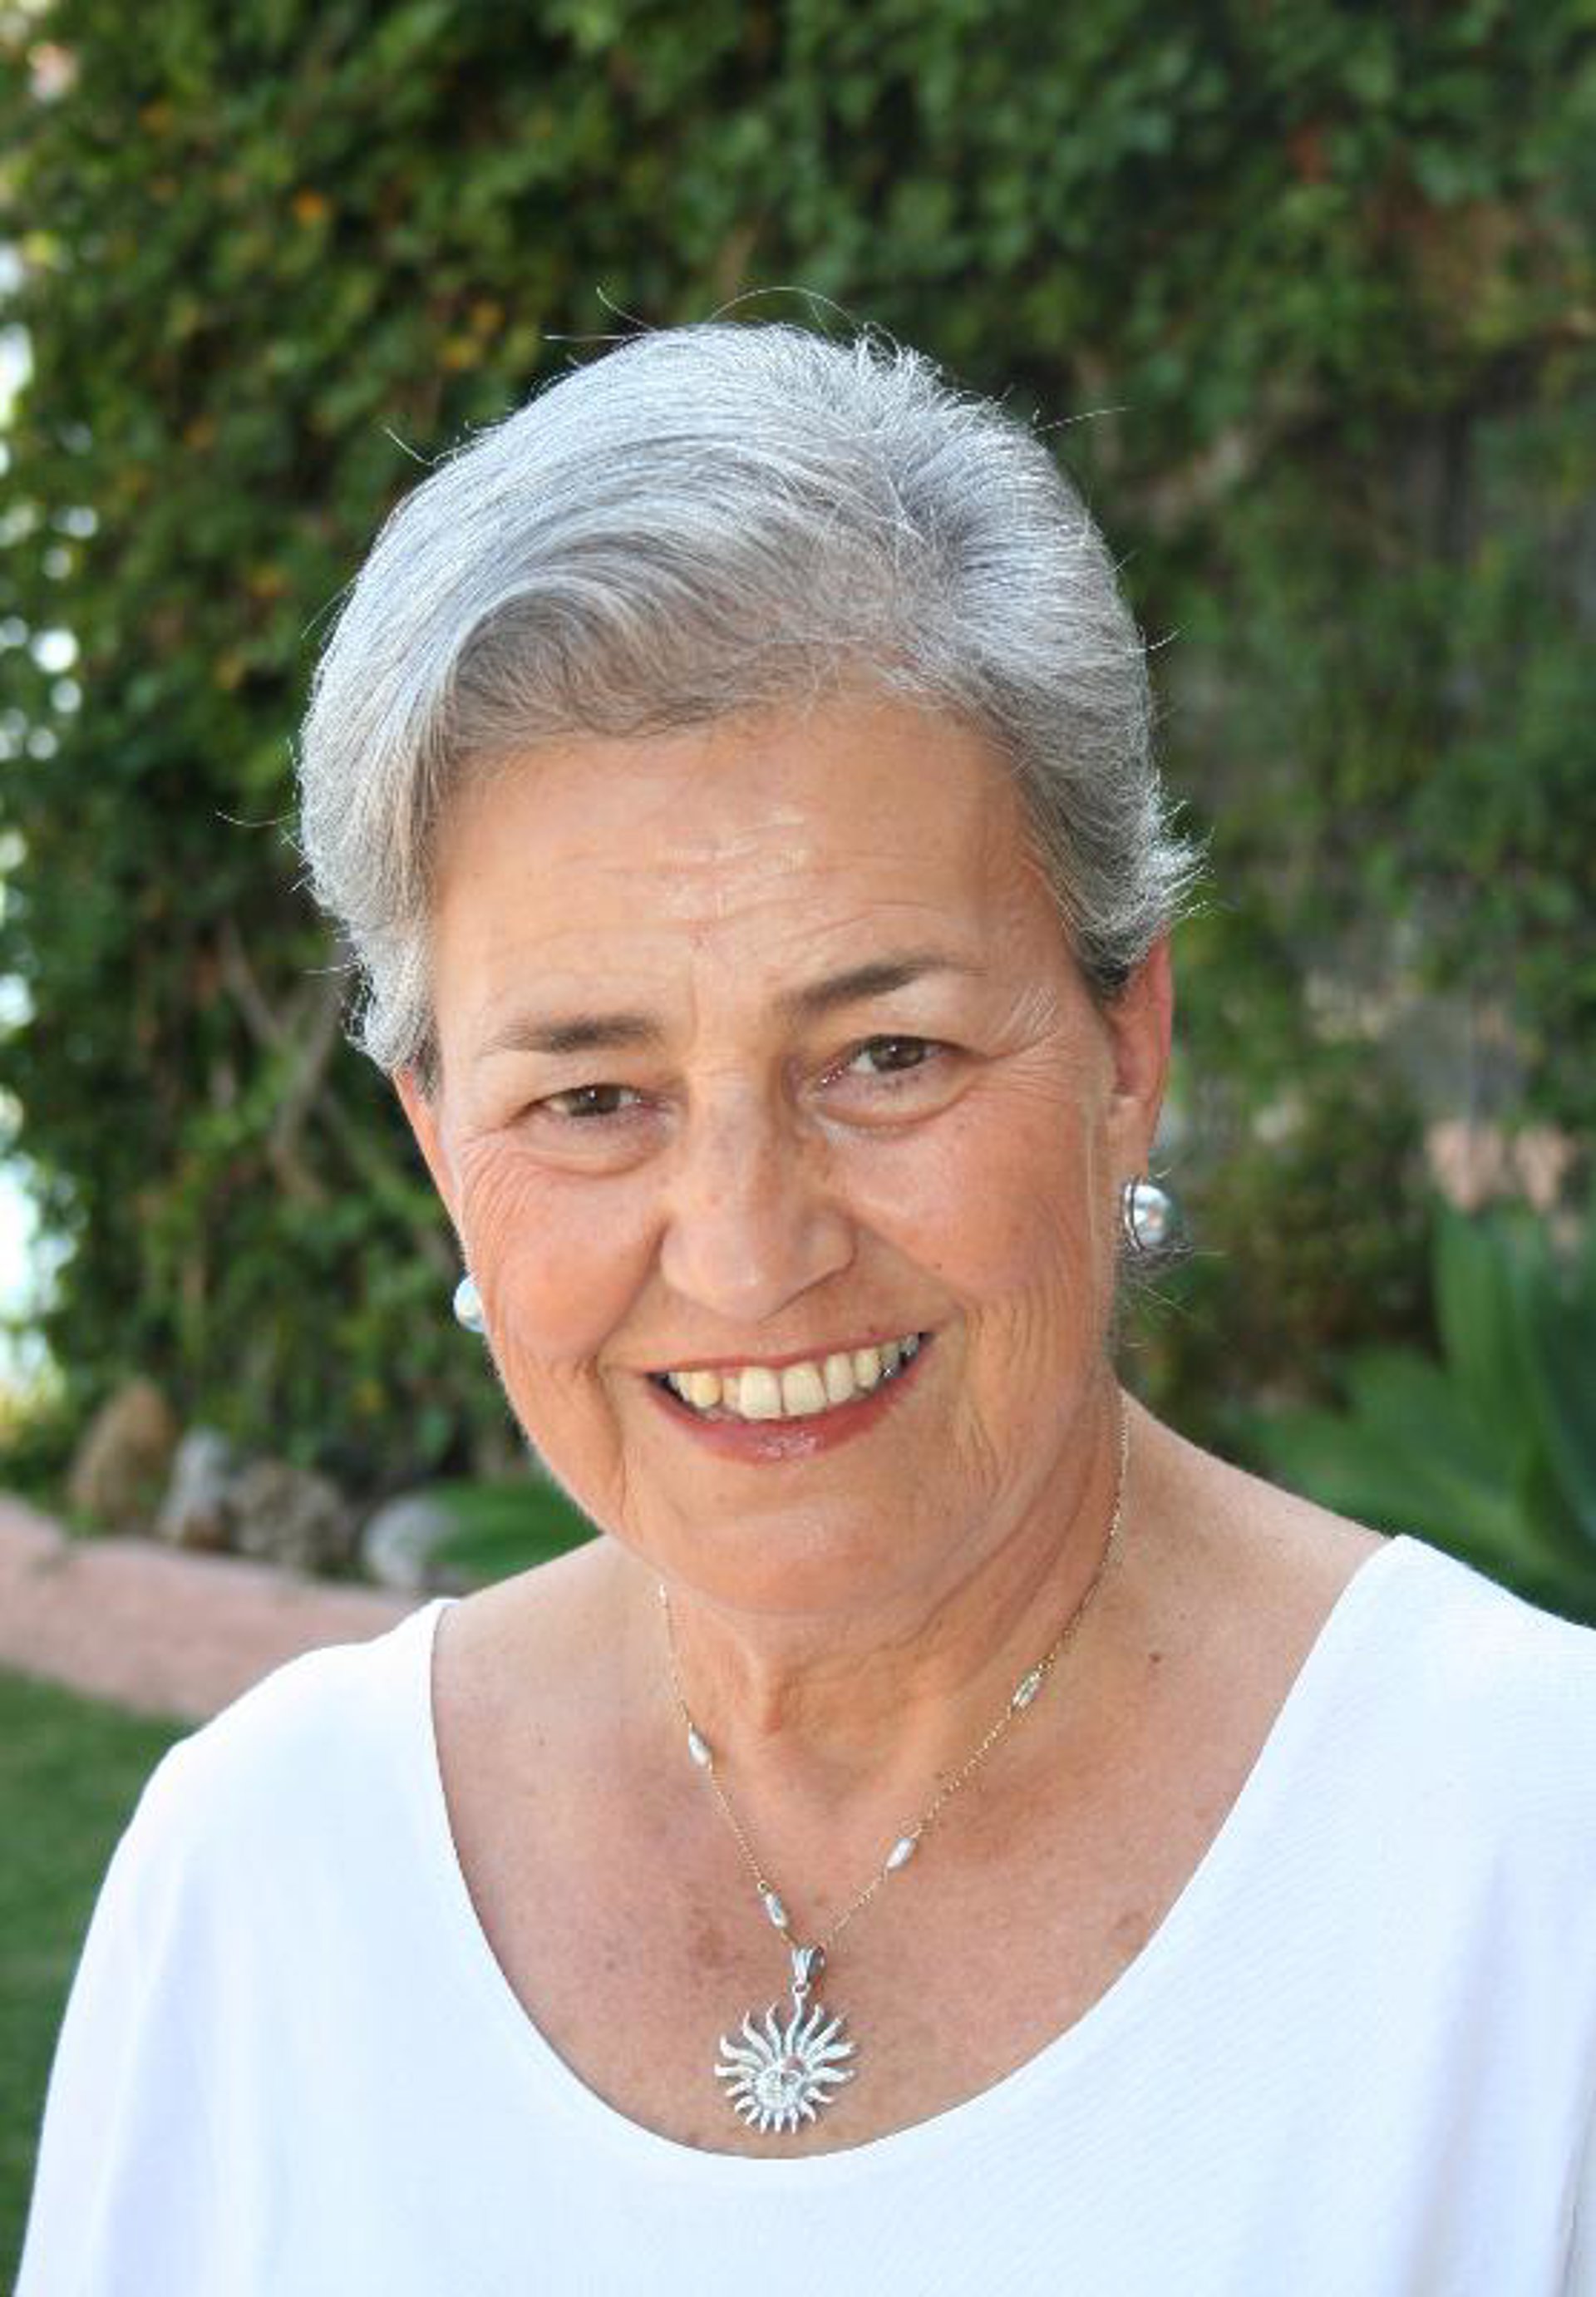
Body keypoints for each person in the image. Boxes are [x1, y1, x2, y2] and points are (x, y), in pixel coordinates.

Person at [17, 322, 1596, 2295]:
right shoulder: (258, 1880)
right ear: (437, 1137)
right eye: (593, 1096)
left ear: (1126, 1047)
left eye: (886, 1055)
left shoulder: (1537, 1864)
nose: (749, 1251)